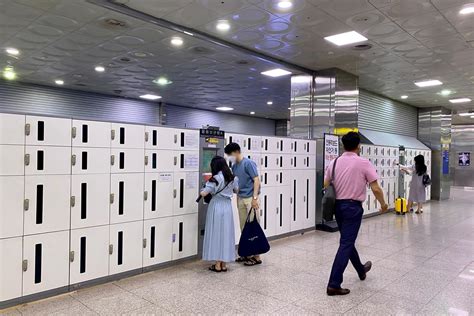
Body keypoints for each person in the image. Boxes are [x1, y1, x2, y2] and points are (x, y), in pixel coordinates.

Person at [324, 132, 388, 296]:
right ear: (358, 146)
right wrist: (383, 204)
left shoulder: (335, 162)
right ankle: (333, 284)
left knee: (347, 240)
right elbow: (375, 188)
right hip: (353, 208)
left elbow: (326, 183)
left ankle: (361, 269)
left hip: (338, 207)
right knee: (346, 243)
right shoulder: (363, 162)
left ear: (344, 146)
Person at [224, 142, 262, 266]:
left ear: (235, 152)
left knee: (253, 227)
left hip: (251, 199)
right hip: (240, 198)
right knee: (243, 228)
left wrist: (255, 198)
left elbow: (256, 180)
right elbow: (236, 183)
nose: (229, 157)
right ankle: (247, 253)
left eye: (229, 154)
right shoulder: (235, 166)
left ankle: (256, 256)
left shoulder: (248, 163)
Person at [200, 156, 239, 272]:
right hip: (227, 207)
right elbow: (237, 190)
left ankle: (217, 265)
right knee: (226, 234)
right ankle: (224, 264)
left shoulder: (215, 179)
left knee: (216, 234)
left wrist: (204, 187)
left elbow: (204, 193)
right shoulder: (232, 178)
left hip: (216, 207)